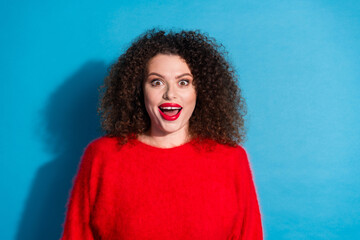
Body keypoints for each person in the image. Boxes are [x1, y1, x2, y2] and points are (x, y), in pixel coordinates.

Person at [61, 29, 263, 240]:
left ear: (201, 90)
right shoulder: (103, 156)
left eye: (183, 82)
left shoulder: (231, 160)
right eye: (157, 82)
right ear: (139, 90)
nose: (170, 93)